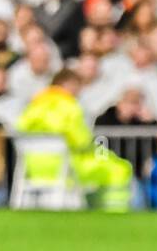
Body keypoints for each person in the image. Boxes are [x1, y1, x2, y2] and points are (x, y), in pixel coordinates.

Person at [16, 68, 133, 212]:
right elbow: (82, 141)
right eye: (77, 86)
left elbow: (19, 130)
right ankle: (113, 215)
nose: (79, 91)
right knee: (119, 168)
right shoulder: (70, 106)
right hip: (65, 166)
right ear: (67, 84)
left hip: (33, 168)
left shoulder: (33, 105)